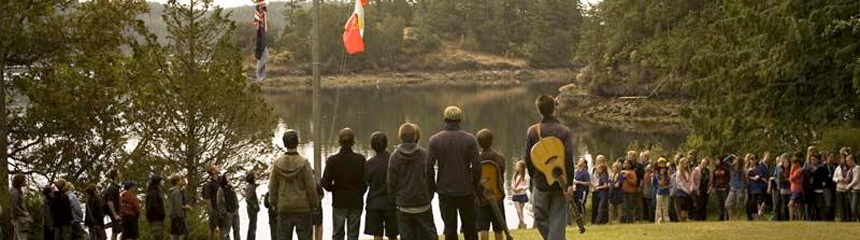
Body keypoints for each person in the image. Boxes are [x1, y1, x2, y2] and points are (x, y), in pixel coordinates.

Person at [524, 96, 576, 239]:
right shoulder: (564, 131)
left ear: (538, 110)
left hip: (540, 182)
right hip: (561, 181)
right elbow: (569, 158)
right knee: (558, 220)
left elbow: (528, 159)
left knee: (539, 217)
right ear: (554, 108)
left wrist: (533, 177)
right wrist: (570, 183)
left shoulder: (532, 131)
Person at [428, 106, 481, 240]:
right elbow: (477, 166)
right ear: (460, 120)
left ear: (445, 119)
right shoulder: (470, 139)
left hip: (445, 191)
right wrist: (474, 185)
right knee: (470, 228)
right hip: (466, 190)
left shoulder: (435, 140)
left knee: (450, 229)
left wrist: (433, 186)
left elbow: (428, 167)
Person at [388, 123, 438, 240]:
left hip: (404, 204)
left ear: (400, 137)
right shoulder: (424, 154)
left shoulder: (394, 157)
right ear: (415, 136)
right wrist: (429, 196)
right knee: (429, 235)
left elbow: (391, 183)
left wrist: (396, 199)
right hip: (423, 202)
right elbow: (431, 178)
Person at [270, 130, 320, 240]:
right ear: (297, 143)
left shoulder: (277, 163)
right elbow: (310, 187)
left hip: (284, 207)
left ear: (284, 144)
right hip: (303, 207)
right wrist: (314, 204)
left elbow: (273, 187)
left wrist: (274, 203)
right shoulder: (304, 163)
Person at [321, 128, 368, 240]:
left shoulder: (332, 160)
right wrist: (360, 192)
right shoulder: (360, 159)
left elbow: (326, 183)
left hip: (339, 201)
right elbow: (366, 181)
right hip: (356, 200)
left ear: (339, 142)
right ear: (353, 142)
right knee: (353, 234)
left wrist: (334, 189)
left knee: (337, 234)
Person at [363, 131, 398, 240]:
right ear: (386, 144)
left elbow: (366, 181)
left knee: (377, 235)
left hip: (374, 203)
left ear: (372, 146)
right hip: (392, 203)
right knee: (393, 235)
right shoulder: (394, 160)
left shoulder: (370, 163)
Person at [475, 129, 506, 240]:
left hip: (482, 197)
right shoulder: (500, 158)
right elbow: (501, 177)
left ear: (478, 143)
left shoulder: (476, 160)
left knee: (483, 227)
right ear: (492, 141)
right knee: (498, 228)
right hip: (498, 196)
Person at [217, 175, 241, 240]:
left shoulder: (230, 187)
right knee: (226, 232)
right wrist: (224, 212)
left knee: (237, 230)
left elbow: (235, 197)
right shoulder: (220, 190)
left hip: (235, 211)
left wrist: (237, 206)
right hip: (227, 213)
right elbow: (219, 203)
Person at [201, 165, 222, 240]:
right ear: (213, 171)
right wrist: (211, 210)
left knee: (221, 228)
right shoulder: (209, 184)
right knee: (212, 229)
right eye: (215, 167)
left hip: (221, 208)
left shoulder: (219, 181)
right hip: (214, 208)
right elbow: (207, 198)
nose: (218, 167)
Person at [169, 174, 191, 240]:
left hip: (173, 216)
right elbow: (178, 206)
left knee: (174, 233)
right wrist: (187, 207)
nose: (182, 181)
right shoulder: (177, 192)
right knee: (182, 233)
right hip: (179, 216)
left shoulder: (174, 191)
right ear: (177, 181)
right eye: (181, 179)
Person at [11, 173, 32, 240]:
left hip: (20, 219)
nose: (25, 181)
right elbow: (15, 206)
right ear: (20, 181)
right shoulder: (15, 192)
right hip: (20, 220)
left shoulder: (17, 191)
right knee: (22, 237)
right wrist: (24, 213)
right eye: (24, 180)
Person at [745, 153, 766, 220]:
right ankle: (750, 218)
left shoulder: (758, 168)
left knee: (753, 204)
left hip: (756, 189)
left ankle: (756, 217)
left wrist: (750, 177)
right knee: (747, 204)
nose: (752, 161)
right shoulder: (747, 168)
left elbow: (757, 178)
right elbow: (745, 178)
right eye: (751, 159)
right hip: (749, 189)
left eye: (753, 159)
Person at [834, 149, 854, 221]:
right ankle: (842, 219)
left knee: (847, 205)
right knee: (841, 205)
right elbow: (834, 178)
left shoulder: (850, 168)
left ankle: (849, 218)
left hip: (847, 188)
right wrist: (838, 180)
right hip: (839, 188)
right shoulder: (838, 168)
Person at [104, 170, 123, 240]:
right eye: (119, 173)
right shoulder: (112, 188)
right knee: (119, 230)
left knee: (115, 231)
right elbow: (110, 202)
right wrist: (115, 215)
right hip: (114, 213)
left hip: (117, 212)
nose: (120, 174)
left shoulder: (116, 187)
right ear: (115, 176)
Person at [771, 153, 791, 221]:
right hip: (780, 187)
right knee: (780, 204)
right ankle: (780, 218)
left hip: (786, 187)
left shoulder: (788, 167)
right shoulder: (779, 167)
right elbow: (777, 177)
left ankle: (785, 217)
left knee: (784, 203)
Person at [511, 160, 530, 229]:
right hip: (515, 194)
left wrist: (521, 188)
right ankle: (523, 223)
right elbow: (512, 183)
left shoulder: (526, 176)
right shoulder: (515, 175)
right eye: (517, 166)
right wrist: (513, 187)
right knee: (518, 210)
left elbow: (527, 186)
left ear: (522, 167)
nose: (517, 167)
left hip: (522, 194)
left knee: (521, 211)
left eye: (518, 166)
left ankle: (520, 224)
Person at [725, 155, 746, 220]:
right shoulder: (731, 167)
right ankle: (731, 218)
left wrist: (742, 192)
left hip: (739, 188)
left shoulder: (741, 170)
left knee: (739, 205)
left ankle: (738, 218)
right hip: (732, 188)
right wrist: (731, 155)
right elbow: (725, 161)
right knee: (727, 204)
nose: (734, 160)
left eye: (736, 160)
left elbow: (743, 181)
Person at [146, 174, 166, 240]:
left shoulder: (155, 191)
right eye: (161, 180)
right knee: (157, 236)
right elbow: (154, 206)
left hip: (156, 218)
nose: (162, 182)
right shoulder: (153, 192)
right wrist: (161, 214)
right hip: (156, 218)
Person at [674, 158, 694, 222]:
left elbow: (691, 180)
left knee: (687, 204)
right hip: (681, 191)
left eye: (686, 163)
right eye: (684, 163)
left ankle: (686, 217)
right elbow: (679, 182)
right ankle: (682, 218)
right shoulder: (679, 172)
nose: (686, 164)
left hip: (688, 190)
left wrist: (690, 188)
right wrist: (685, 189)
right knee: (682, 204)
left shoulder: (688, 171)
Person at [572, 158, 590, 227]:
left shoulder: (585, 173)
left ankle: (583, 222)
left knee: (581, 205)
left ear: (584, 164)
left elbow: (588, 183)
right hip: (576, 191)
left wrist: (578, 182)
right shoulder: (576, 172)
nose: (579, 161)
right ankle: (578, 222)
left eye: (581, 161)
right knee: (576, 206)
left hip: (582, 191)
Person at [711, 156, 731, 221]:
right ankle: (720, 216)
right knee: (719, 204)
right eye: (716, 160)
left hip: (724, 188)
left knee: (726, 203)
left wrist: (726, 186)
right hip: (717, 188)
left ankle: (727, 216)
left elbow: (728, 178)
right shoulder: (715, 170)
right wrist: (713, 187)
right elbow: (713, 179)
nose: (717, 161)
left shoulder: (725, 169)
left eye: (718, 160)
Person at [590, 155, 607, 225]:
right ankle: (594, 220)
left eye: (601, 160)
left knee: (602, 206)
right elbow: (589, 178)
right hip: (594, 188)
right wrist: (593, 186)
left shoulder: (606, 169)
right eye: (598, 160)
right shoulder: (593, 169)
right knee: (595, 205)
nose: (599, 162)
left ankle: (602, 220)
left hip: (602, 189)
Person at [653, 157, 671, 223]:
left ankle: (666, 219)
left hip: (666, 192)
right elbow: (660, 183)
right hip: (659, 192)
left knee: (666, 207)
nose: (662, 164)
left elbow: (669, 182)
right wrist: (662, 174)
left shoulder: (668, 173)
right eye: (660, 163)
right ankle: (659, 219)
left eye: (663, 162)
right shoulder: (657, 173)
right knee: (659, 207)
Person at [823, 151, 838, 221]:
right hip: (827, 187)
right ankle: (827, 218)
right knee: (828, 203)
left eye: (833, 157)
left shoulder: (836, 166)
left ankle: (832, 218)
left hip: (834, 186)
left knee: (833, 203)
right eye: (830, 156)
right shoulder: (824, 166)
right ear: (827, 157)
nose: (832, 158)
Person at [789, 156, 805, 221]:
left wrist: (791, 171)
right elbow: (791, 179)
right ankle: (799, 218)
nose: (792, 165)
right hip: (793, 189)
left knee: (790, 204)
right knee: (797, 205)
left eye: (793, 164)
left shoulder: (799, 170)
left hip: (797, 190)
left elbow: (792, 178)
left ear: (797, 163)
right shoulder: (794, 170)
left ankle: (791, 219)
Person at [246, 172, 260, 240]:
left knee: (252, 226)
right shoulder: (251, 187)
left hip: (251, 208)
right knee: (252, 226)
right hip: (252, 209)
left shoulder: (251, 186)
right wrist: (254, 206)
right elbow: (248, 199)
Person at [847, 155, 860, 221]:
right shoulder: (849, 170)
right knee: (854, 208)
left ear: (852, 160)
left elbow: (856, 180)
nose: (847, 163)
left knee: (854, 207)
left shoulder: (857, 168)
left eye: (848, 161)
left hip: (857, 190)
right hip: (851, 191)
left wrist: (848, 186)